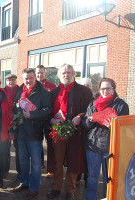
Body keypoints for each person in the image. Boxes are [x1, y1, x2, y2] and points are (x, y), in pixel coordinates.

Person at [47, 64, 93, 200]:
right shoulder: (54, 93)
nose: (66, 75)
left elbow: (91, 110)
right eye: (63, 73)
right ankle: (56, 187)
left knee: (73, 161)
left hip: (76, 132)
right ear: (59, 75)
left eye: (69, 72)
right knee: (57, 160)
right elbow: (48, 111)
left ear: (74, 74)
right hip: (58, 132)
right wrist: (51, 120)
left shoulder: (84, 91)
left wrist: (80, 116)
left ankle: (70, 190)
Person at [82, 78, 129, 200]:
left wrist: (113, 126)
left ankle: (108, 198)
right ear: (99, 89)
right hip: (92, 146)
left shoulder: (121, 105)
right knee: (92, 177)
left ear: (113, 89)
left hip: (110, 146)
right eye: (103, 88)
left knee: (109, 178)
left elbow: (124, 127)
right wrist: (90, 120)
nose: (105, 91)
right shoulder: (93, 104)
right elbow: (85, 125)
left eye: (108, 88)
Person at [11, 68, 52, 200]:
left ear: (35, 78)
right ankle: (24, 182)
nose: (28, 81)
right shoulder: (20, 93)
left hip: (35, 134)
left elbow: (48, 111)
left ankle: (34, 188)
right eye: (26, 78)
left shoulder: (43, 93)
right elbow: (16, 109)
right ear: (23, 79)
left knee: (35, 163)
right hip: (21, 133)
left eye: (31, 78)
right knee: (23, 161)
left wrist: (32, 115)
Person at [35, 65, 57, 175]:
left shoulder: (52, 86)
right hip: (36, 119)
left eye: (41, 73)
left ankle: (51, 168)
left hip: (48, 119)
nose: (40, 75)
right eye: (38, 73)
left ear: (45, 73)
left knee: (49, 144)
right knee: (38, 142)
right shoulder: (32, 85)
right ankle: (40, 163)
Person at [76, 77, 93, 186]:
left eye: (87, 86)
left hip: (89, 131)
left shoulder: (94, 99)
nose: (85, 88)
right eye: (84, 86)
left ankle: (87, 179)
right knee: (79, 154)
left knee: (88, 156)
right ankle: (77, 176)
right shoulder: (78, 97)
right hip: (79, 129)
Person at [4, 73, 21, 180]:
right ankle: (5, 170)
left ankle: (20, 171)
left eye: (13, 80)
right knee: (5, 149)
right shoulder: (2, 91)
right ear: (6, 81)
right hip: (5, 123)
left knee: (19, 149)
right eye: (9, 80)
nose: (11, 82)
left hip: (18, 123)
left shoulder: (21, 90)